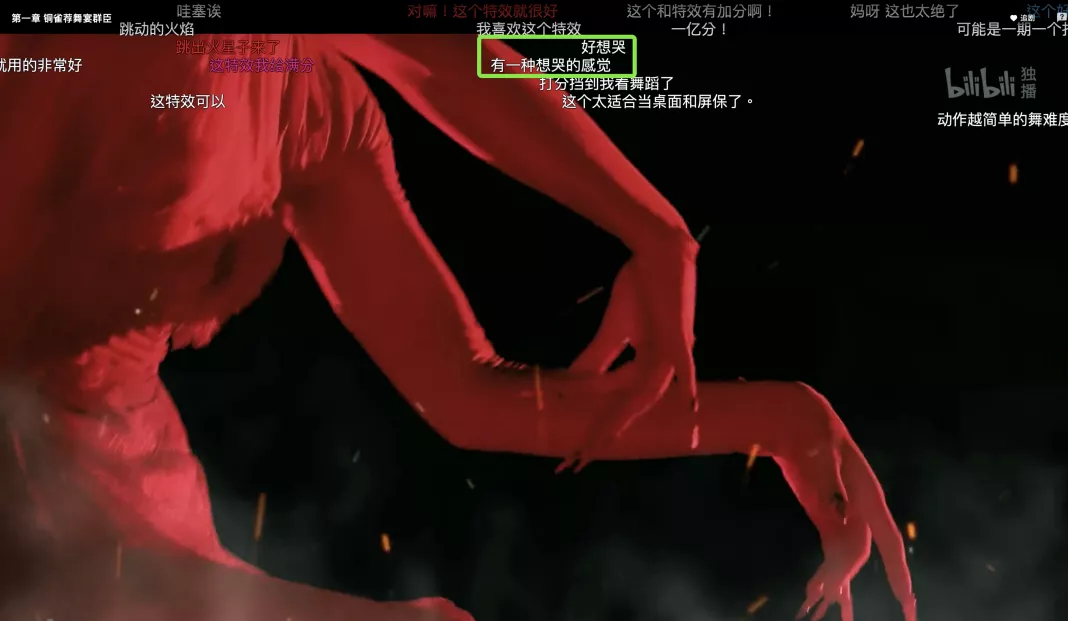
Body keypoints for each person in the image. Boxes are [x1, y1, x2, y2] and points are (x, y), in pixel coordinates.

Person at [0, 35, 913, 621]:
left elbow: (470, 393)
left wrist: (781, 416)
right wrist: (650, 227)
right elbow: (437, 60)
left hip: (105, 494)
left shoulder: (313, 110)